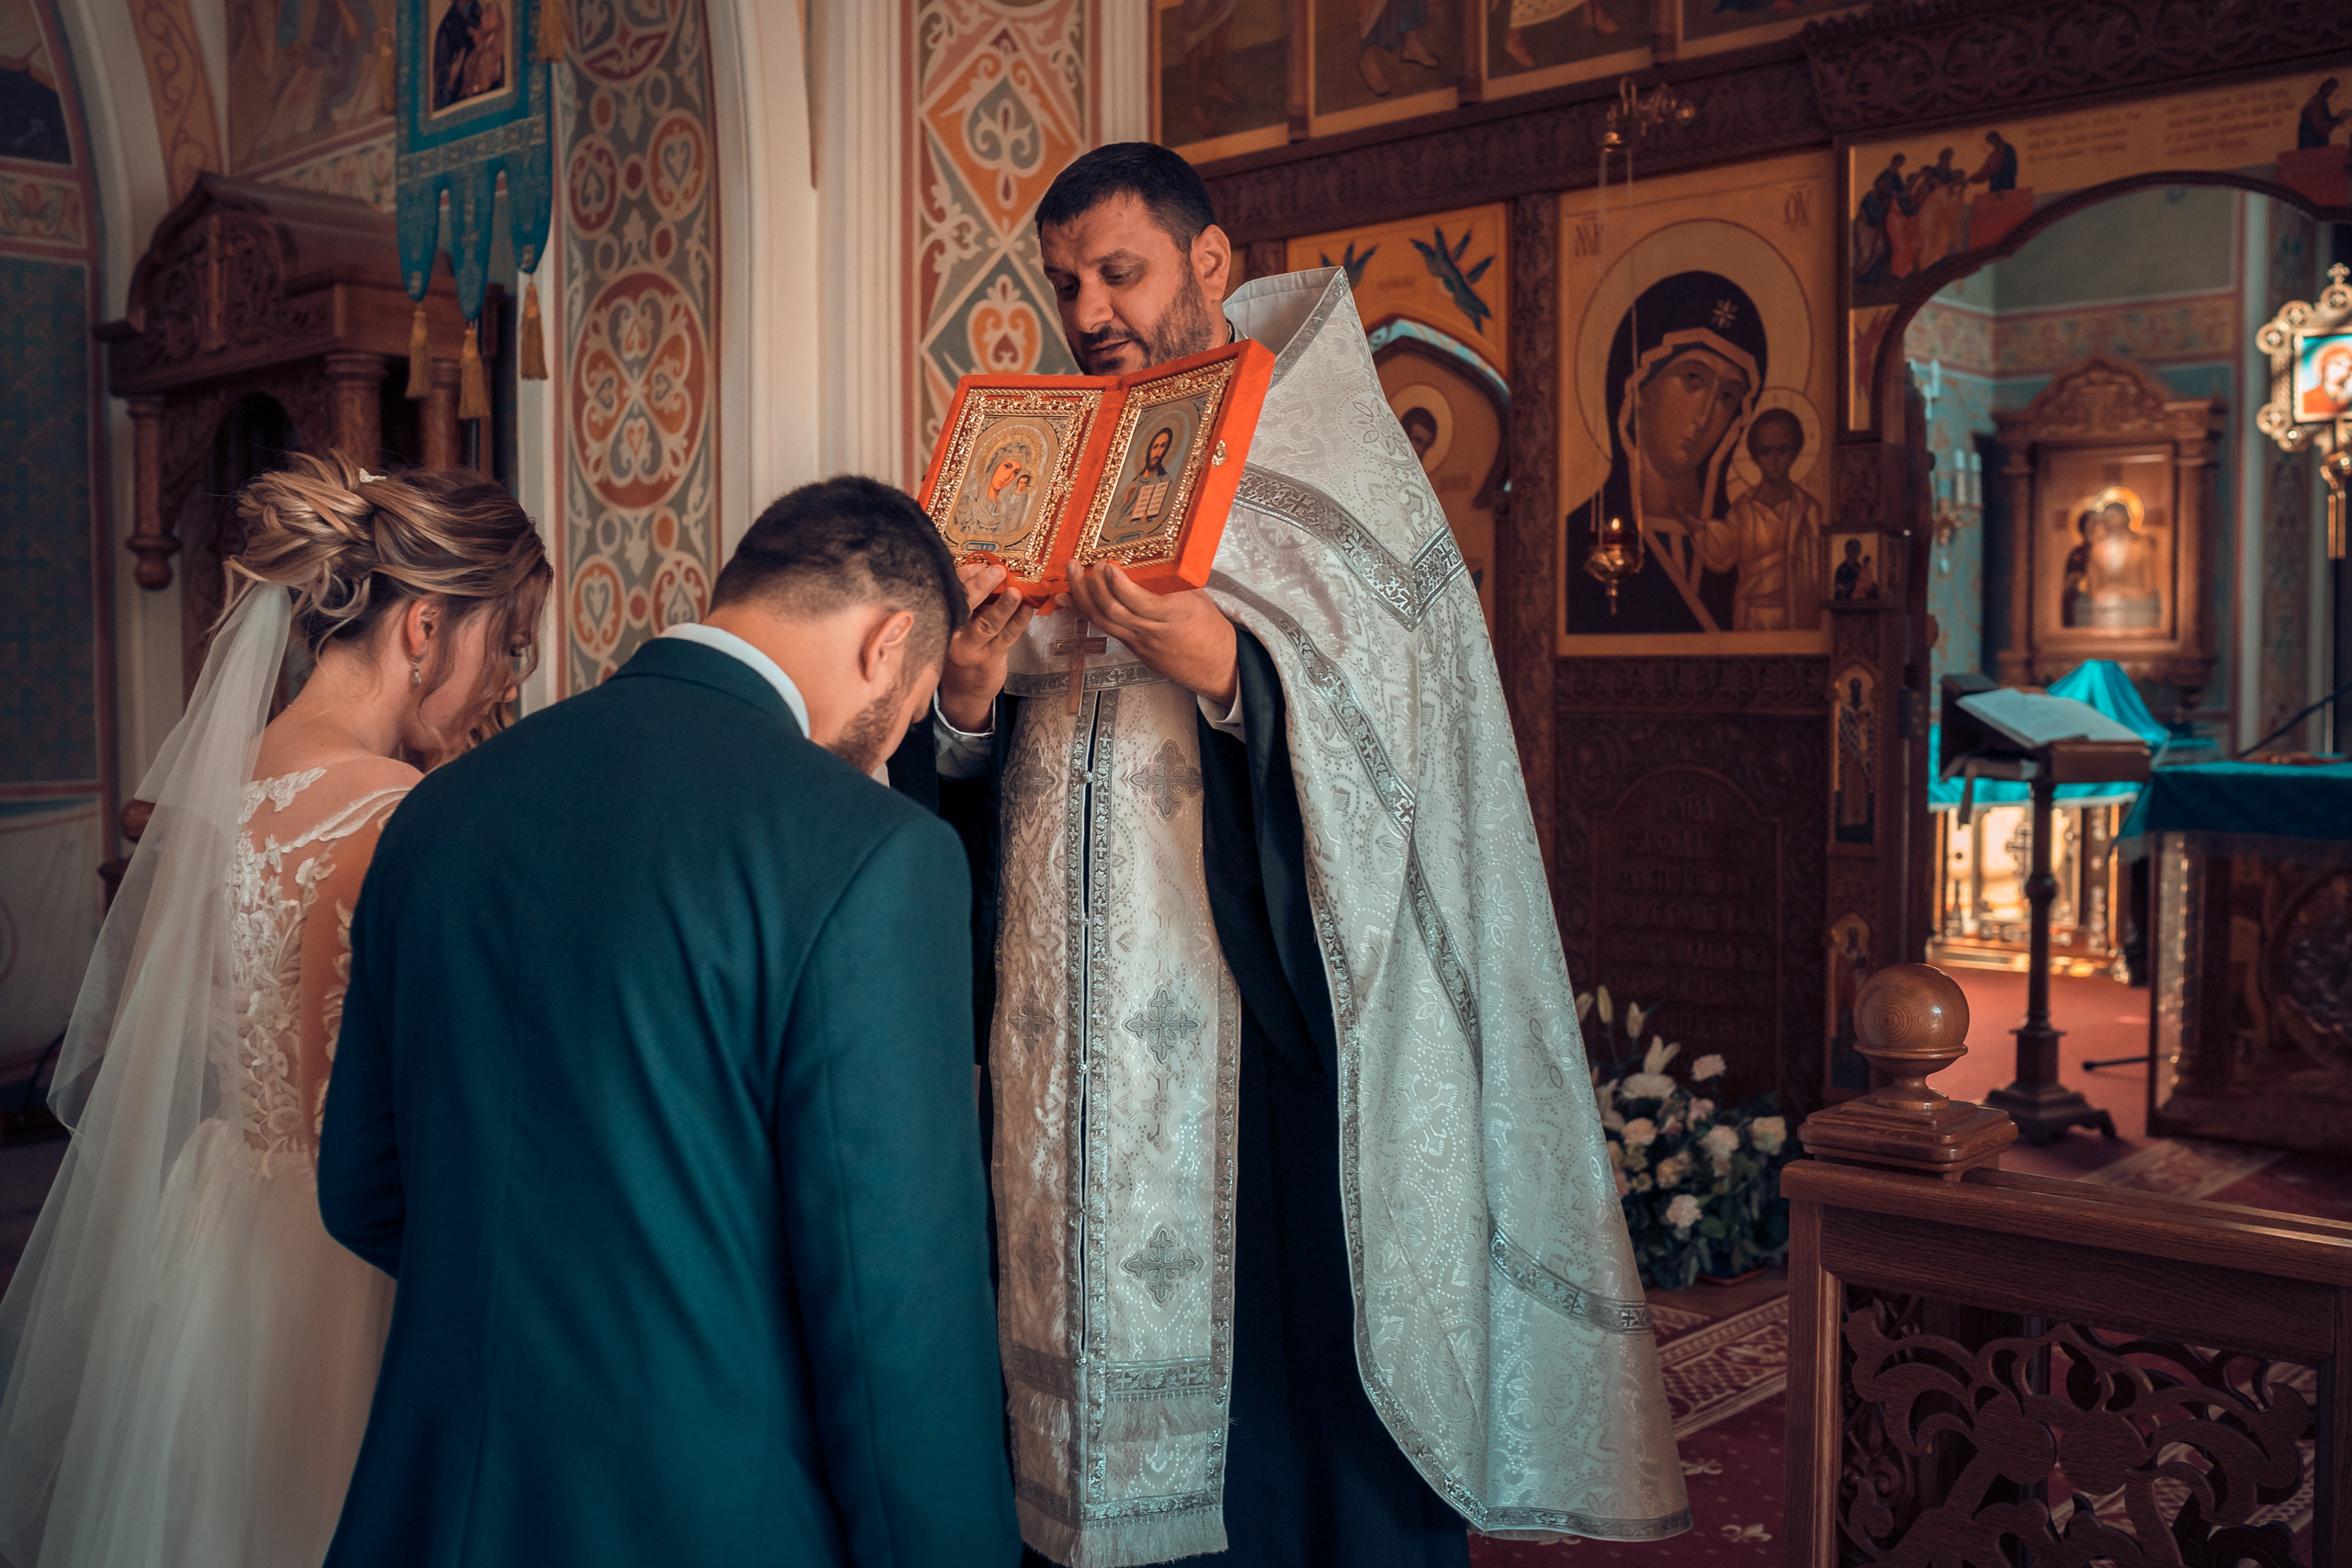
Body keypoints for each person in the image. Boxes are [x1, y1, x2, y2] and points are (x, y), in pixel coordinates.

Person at [906, 141, 1686, 1567]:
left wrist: (1233, 672)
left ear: (1211, 263)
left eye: (1121, 271)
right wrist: (961, 695)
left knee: (1276, 1435)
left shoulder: (1324, 451)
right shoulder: (1051, 465)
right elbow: (976, 768)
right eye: (1066, 281)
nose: (1090, 312)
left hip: (1256, 1036)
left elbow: (1404, 746)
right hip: (1054, 1054)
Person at [317, 477, 1019, 1568]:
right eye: (916, 697)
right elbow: (900, 1327)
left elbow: (361, 1185)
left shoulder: (437, 812)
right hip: (714, 1517)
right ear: (887, 645)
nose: (890, 747)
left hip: (440, 1506)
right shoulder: (874, 852)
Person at [0, 455, 549, 1568]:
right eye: (509, 640)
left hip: (215, 1232)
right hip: (349, 1266)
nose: (512, 680)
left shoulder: (219, 790)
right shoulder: (405, 813)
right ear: (425, 628)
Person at [1562, 268, 1766, 636]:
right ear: (1638, 388)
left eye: (1727, 397)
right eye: (1692, 379)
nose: (1705, 417)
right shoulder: (1573, 538)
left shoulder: (1748, 542)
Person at [1700, 407, 1825, 631]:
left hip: (1797, 618)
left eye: (1782, 450)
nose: (1774, 460)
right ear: (1755, 457)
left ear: (1795, 452)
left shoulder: (1808, 509)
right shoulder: (1742, 510)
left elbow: (1822, 566)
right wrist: (1696, 527)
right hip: (1752, 619)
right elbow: (1721, 552)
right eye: (1766, 452)